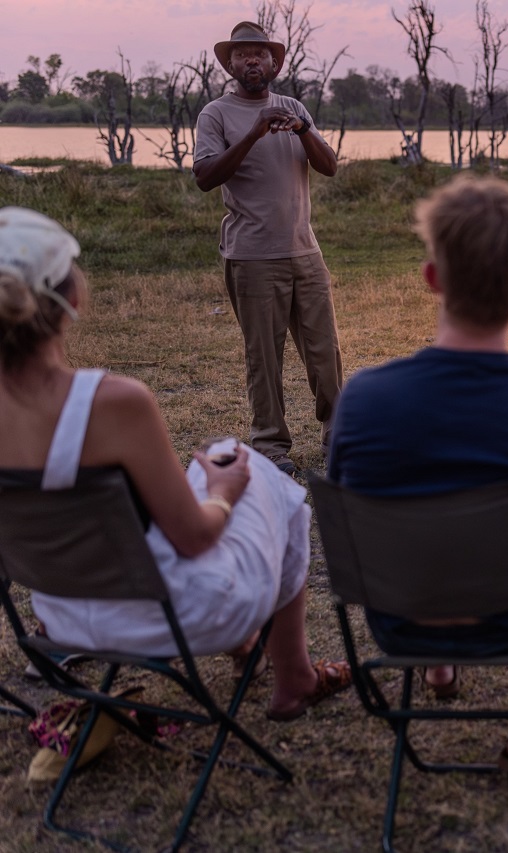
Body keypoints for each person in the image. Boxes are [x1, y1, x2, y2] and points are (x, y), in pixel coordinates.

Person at [327, 175, 508, 777]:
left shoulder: (362, 399)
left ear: (432, 278)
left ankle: (436, 665)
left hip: (400, 616)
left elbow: (356, 508)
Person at [0, 206, 350, 722]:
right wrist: (223, 491)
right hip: (178, 617)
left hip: (62, 619)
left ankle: (249, 649)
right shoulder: (113, 403)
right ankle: (294, 677)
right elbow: (195, 537)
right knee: (252, 468)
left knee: (178, 480)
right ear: (72, 298)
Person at [193, 21, 342, 476]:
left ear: (275, 63)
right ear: (231, 64)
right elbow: (205, 177)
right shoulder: (215, 114)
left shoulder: (294, 106)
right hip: (252, 255)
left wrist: (302, 129)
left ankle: (339, 436)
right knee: (264, 356)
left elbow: (329, 166)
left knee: (325, 351)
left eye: (260, 54)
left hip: (304, 250)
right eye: (243, 55)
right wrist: (254, 133)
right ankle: (272, 446)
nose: (252, 61)